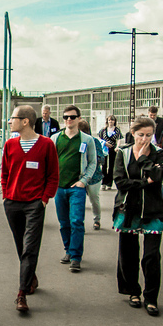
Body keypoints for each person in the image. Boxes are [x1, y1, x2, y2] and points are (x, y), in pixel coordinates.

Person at [2, 105, 60, 313]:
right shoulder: (10, 144)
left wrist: (44, 199)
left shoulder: (46, 144)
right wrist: (5, 195)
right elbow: (5, 172)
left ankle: (21, 293)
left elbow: (53, 175)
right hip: (12, 202)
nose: (10, 121)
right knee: (21, 246)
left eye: (13, 118)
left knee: (30, 247)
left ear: (25, 121)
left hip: (35, 204)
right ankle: (31, 277)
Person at [113, 116, 163, 316]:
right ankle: (133, 291)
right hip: (129, 209)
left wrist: (144, 158)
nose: (144, 139)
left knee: (151, 256)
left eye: (148, 135)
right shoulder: (123, 153)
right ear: (133, 133)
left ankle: (151, 297)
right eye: (140, 135)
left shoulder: (159, 154)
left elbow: (159, 176)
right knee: (128, 253)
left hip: (152, 210)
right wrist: (145, 183)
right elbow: (120, 182)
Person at [50, 105, 97, 272]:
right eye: (65, 117)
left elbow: (93, 162)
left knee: (76, 221)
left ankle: (76, 257)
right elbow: (50, 161)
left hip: (76, 187)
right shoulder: (55, 138)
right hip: (59, 187)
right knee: (64, 223)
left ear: (79, 119)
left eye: (72, 117)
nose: (68, 120)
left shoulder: (87, 140)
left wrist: (84, 181)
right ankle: (68, 250)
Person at [80, 117, 105, 230]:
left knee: (94, 199)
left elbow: (101, 158)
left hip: (94, 177)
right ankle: (79, 223)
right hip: (79, 177)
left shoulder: (94, 141)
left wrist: (90, 161)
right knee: (78, 202)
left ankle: (97, 219)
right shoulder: (76, 142)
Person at [98, 115, 122, 190]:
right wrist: (104, 143)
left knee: (111, 166)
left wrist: (117, 147)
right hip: (105, 149)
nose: (110, 122)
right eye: (109, 120)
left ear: (114, 121)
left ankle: (109, 183)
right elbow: (99, 138)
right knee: (104, 166)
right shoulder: (103, 130)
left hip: (113, 149)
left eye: (112, 120)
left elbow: (119, 139)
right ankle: (103, 183)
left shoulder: (117, 130)